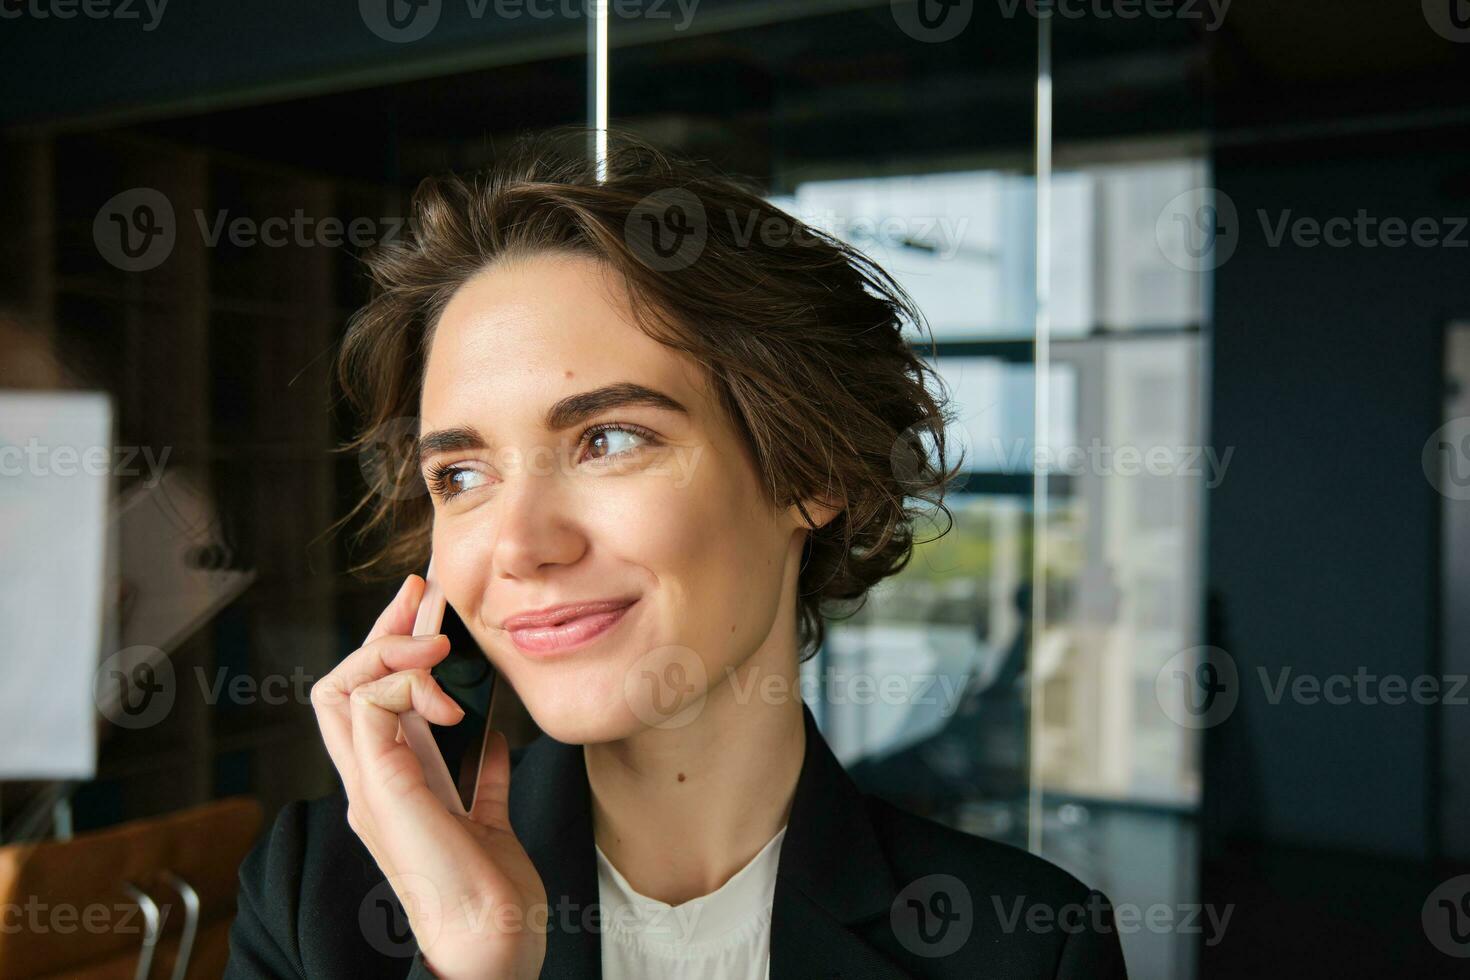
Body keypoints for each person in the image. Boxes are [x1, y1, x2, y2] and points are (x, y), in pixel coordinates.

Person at [223, 127, 1128, 979]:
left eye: (610, 440)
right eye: (461, 476)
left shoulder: (1023, 945)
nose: (521, 547)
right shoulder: (320, 903)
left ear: (810, 470)